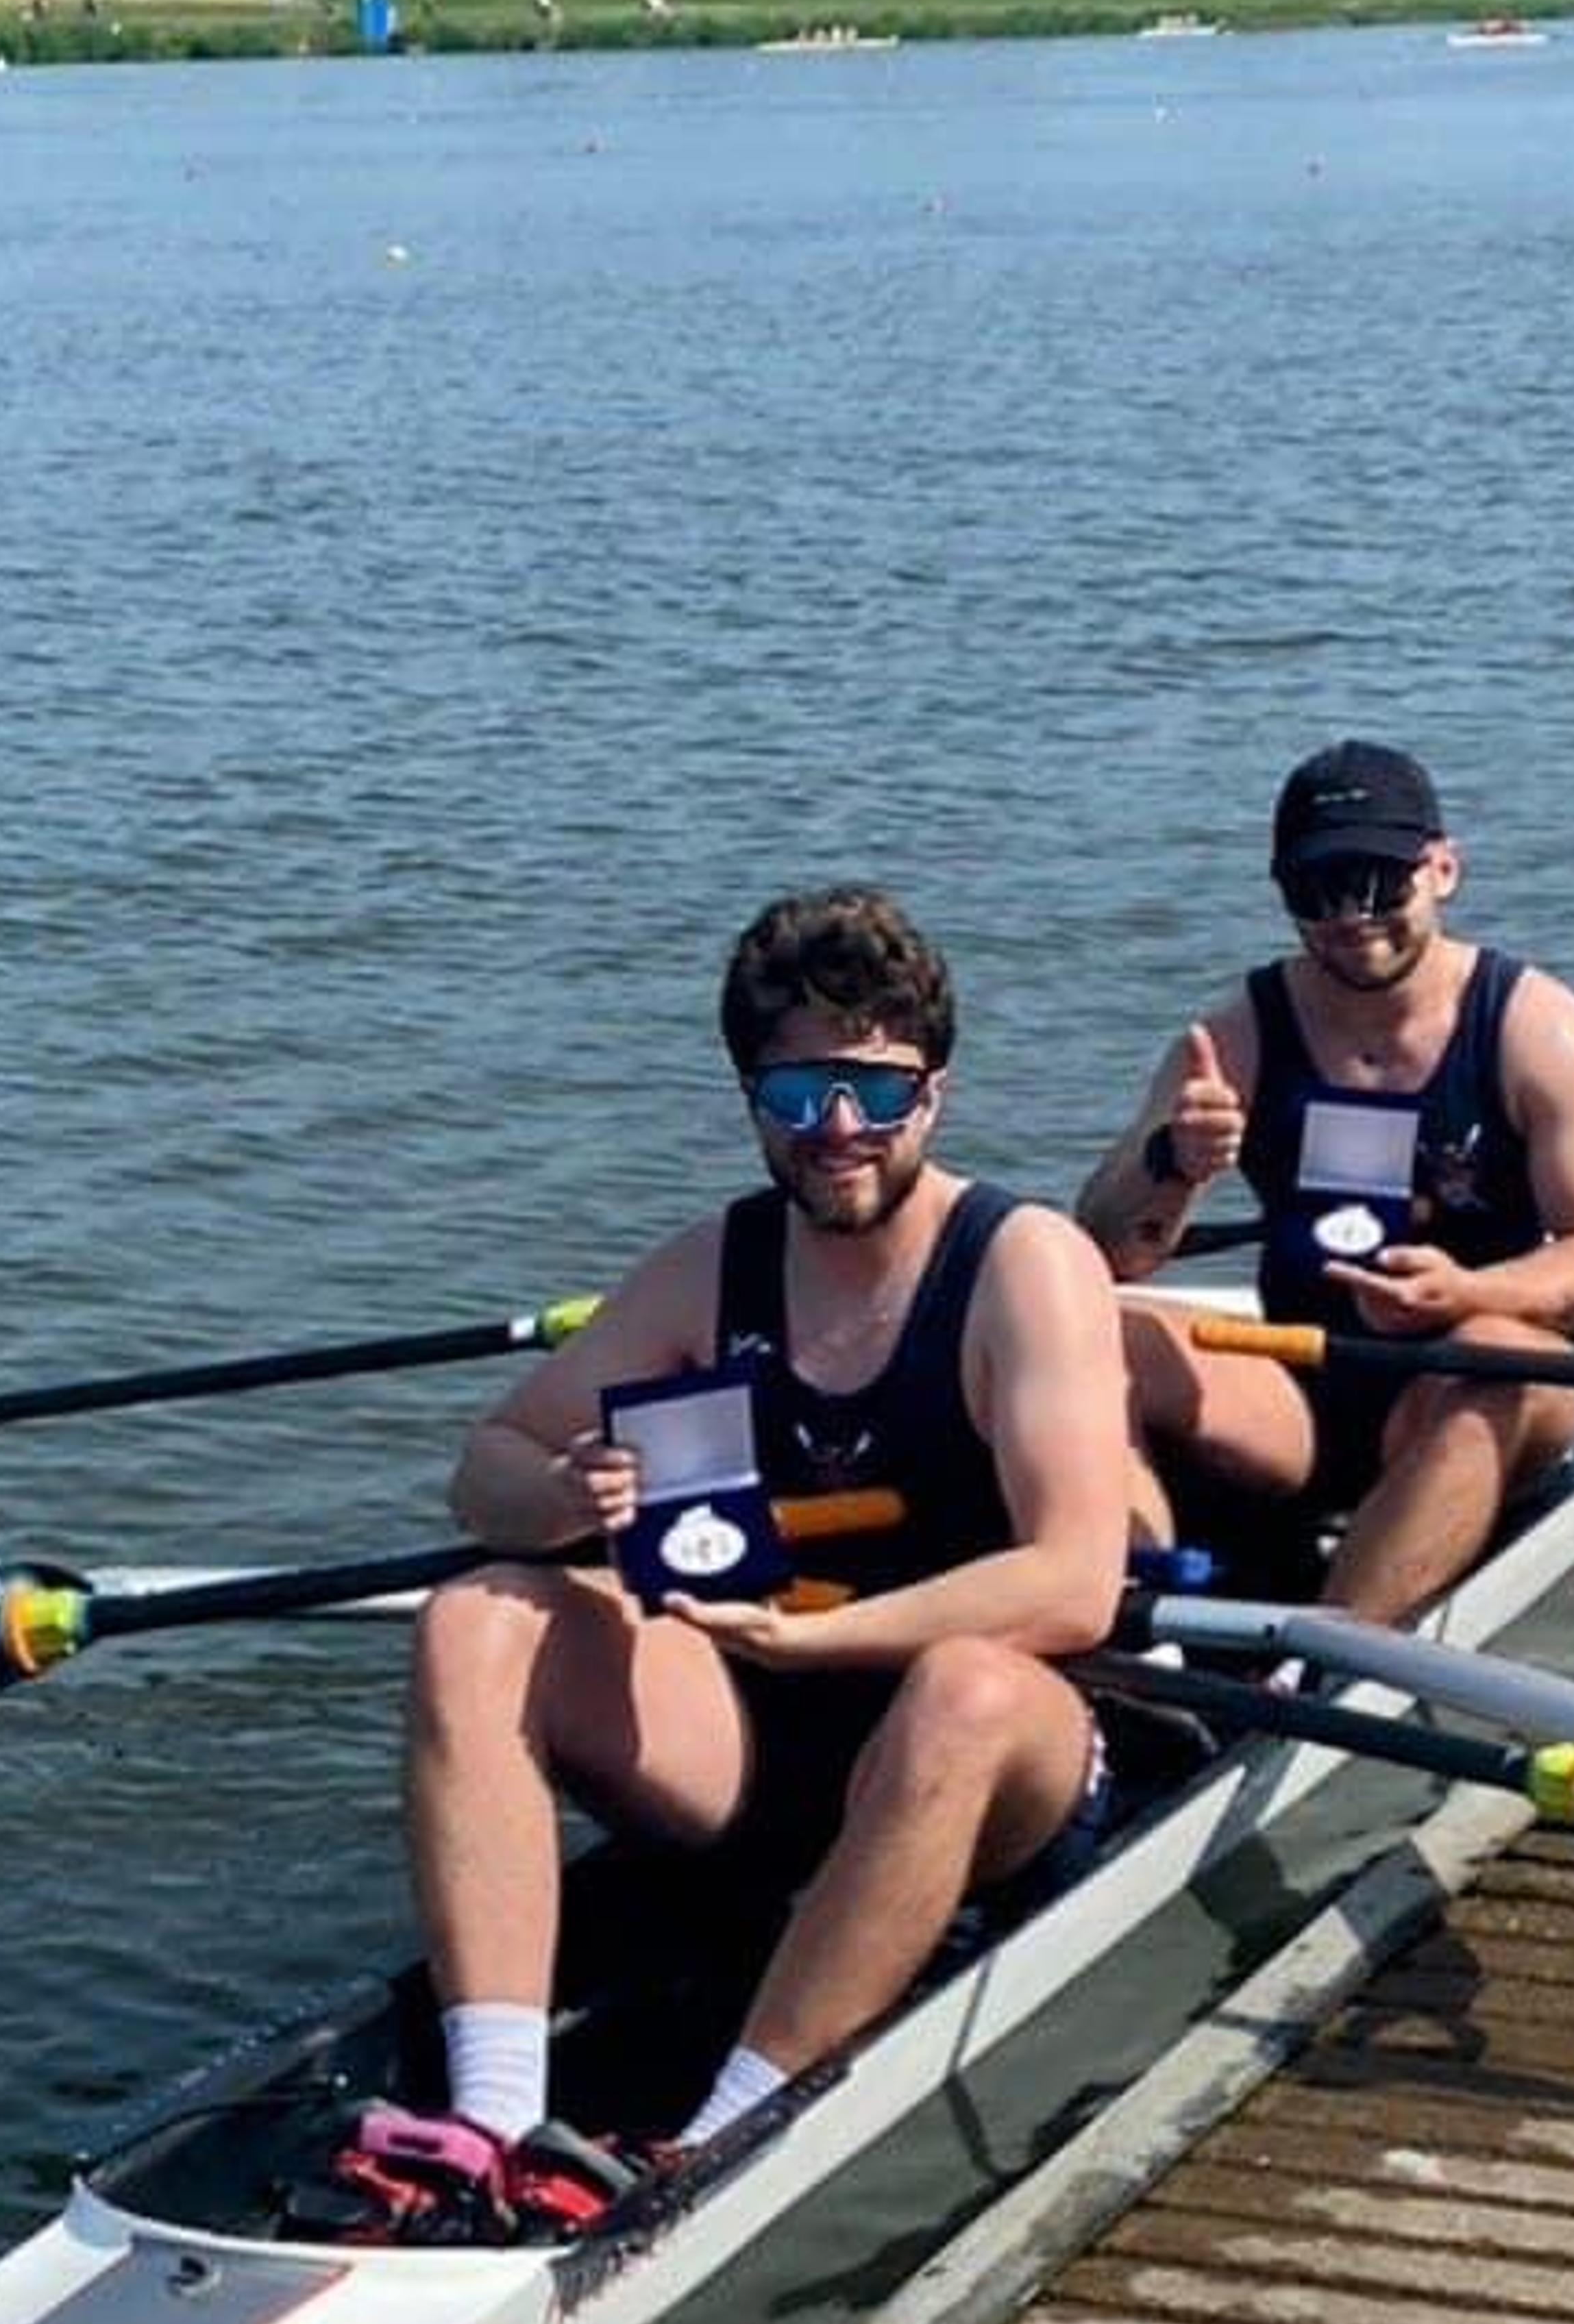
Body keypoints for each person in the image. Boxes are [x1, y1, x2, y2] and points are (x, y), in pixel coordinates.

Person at [341, 886, 1133, 2243]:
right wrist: (559, 1494)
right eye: (798, 1087)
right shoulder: (715, 1265)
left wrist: (833, 1637)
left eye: (873, 1091)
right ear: (752, 1092)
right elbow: (484, 1462)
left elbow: (1075, 1581)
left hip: (999, 1760)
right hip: (760, 1734)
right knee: (478, 1618)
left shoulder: (1024, 1263)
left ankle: (716, 2140)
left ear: (932, 1093)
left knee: (963, 1687)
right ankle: (492, 2119)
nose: (837, 1129)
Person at [1077, 742, 1574, 1624]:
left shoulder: (1537, 1029)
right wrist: (1175, 1165)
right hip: (1305, 1381)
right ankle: (1146, 1617)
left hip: (1461, 1378)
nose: (1353, 915)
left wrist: (1465, 1291)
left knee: (1501, 1347)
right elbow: (1106, 1252)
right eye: (1320, 889)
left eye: (1381, 882)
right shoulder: (1239, 1035)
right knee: (1084, 1329)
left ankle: (1325, 1671)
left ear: (1443, 869)